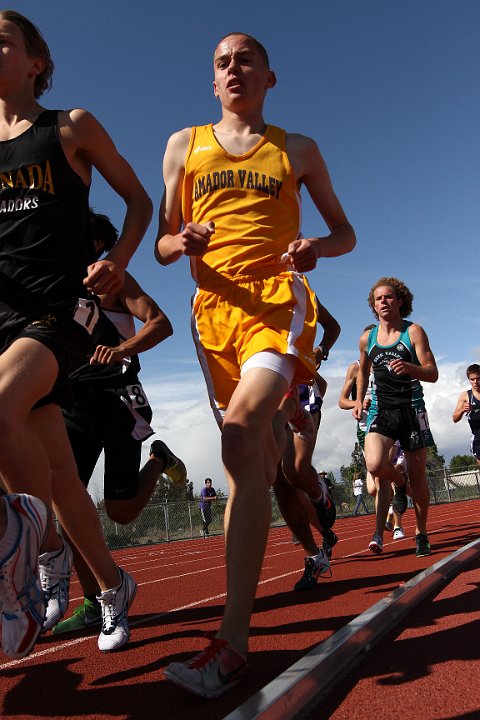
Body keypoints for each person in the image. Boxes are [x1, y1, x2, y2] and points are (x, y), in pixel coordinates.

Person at [155, 32, 355, 697]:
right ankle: (307, 504)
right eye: (220, 62)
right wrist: (179, 238)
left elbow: (343, 231)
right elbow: (161, 244)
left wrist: (315, 249)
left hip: (274, 304)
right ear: (212, 83)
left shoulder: (296, 148)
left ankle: (233, 642)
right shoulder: (184, 145)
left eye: (244, 59)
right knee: (258, 461)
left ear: (270, 76)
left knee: (239, 439)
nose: (232, 68)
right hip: (211, 315)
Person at [0, 11, 151, 657]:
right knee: (58, 474)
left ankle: (37, 561)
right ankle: (113, 584)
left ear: (36, 62)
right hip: (2, 317)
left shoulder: (69, 127)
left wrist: (118, 258)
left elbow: (139, 200)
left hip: (60, 312)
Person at [52, 210, 185, 636]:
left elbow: (162, 325)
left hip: (121, 402)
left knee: (122, 512)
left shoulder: (114, 281)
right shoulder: (53, 285)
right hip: (74, 403)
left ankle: (159, 459)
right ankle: (95, 602)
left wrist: (122, 348)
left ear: (95, 245)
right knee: (65, 505)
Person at [353, 278, 438, 558]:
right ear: (373, 305)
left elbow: (432, 372)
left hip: (412, 408)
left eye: (388, 297)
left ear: (400, 300)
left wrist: (411, 367)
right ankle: (400, 485)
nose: (383, 302)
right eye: (378, 299)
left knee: (419, 477)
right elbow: (363, 370)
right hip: (381, 409)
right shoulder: (368, 338)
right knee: (375, 464)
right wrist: (358, 399)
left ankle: (421, 532)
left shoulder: (413, 332)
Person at [273, 299, 340, 591]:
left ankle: (319, 492)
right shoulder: (234, 288)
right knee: (281, 482)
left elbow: (332, 326)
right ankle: (316, 553)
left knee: (295, 472)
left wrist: (320, 350)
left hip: (299, 388)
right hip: (263, 388)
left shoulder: (296, 288)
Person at [339, 352, 408, 545]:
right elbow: (342, 401)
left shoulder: (389, 365)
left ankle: (385, 531)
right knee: (372, 487)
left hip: (387, 425)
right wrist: (358, 403)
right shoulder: (354, 368)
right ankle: (401, 486)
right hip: (364, 429)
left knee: (382, 477)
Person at [452, 364, 480, 467]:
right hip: (478, 438)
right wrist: (462, 410)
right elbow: (455, 418)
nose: (475, 382)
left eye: (478, 378)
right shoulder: (466, 396)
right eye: (472, 379)